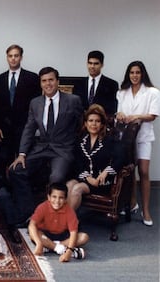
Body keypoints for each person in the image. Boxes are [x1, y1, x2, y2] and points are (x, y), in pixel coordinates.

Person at [9, 67, 83, 225]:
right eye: (44, 81)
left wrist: (72, 148)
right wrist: (22, 154)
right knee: (16, 171)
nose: (47, 84)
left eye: (51, 80)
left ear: (57, 81)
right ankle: (29, 212)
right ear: (40, 83)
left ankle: (51, 219)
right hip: (41, 148)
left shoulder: (73, 100)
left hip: (62, 150)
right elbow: (29, 129)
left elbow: (80, 126)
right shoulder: (35, 103)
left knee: (56, 178)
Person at [116, 61, 160, 226]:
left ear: (143, 74)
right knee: (129, 171)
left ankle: (146, 210)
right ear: (128, 74)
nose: (134, 76)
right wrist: (120, 114)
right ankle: (132, 203)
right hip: (126, 138)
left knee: (143, 171)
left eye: (138, 73)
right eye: (132, 73)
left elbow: (153, 115)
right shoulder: (122, 92)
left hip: (143, 137)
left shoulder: (152, 92)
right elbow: (120, 112)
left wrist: (136, 116)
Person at [66, 104, 125, 210]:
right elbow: (77, 162)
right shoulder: (80, 140)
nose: (93, 124)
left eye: (97, 121)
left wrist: (106, 172)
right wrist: (87, 178)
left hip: (100, 182)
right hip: (85, 178)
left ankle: (67, 223)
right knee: (69, 185)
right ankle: (67, 221)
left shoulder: (110, 140)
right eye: (90, 120)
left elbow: (121, 158)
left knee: (77, 189)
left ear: (102, 124)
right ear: (85, 123)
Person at [0, 44, 41, 163]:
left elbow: (37, 105)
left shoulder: (32, 78)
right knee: (4, 162)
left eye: (16, 56)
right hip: (3, 130)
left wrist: (32, 127)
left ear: (21, 57)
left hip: (24, 128)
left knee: (24, 162)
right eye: (10, 56)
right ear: (7, 58)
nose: (13, 58)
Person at [28, 183, 89, 262]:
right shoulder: (42, 207)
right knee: (34, 232)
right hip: (45, 235)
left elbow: (73, 233)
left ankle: (51, 247)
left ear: (65, 200)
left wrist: (69, 252)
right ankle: (59, 249)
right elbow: (32, 225)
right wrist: (39, 244)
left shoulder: (69, 211)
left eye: (61, 198)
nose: (57, 201)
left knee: (84, 237)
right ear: (48, 197)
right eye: (54, 197)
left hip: (62, 236)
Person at [76, 50, 118, 117]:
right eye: (90, 63)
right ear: (87, 64)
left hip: (102, 123)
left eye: (96, 64)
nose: (92, 66)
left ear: (102, 65)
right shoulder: (79, 84)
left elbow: (112, 108)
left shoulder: (111, 84)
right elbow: (76, 107)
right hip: (82, 124)